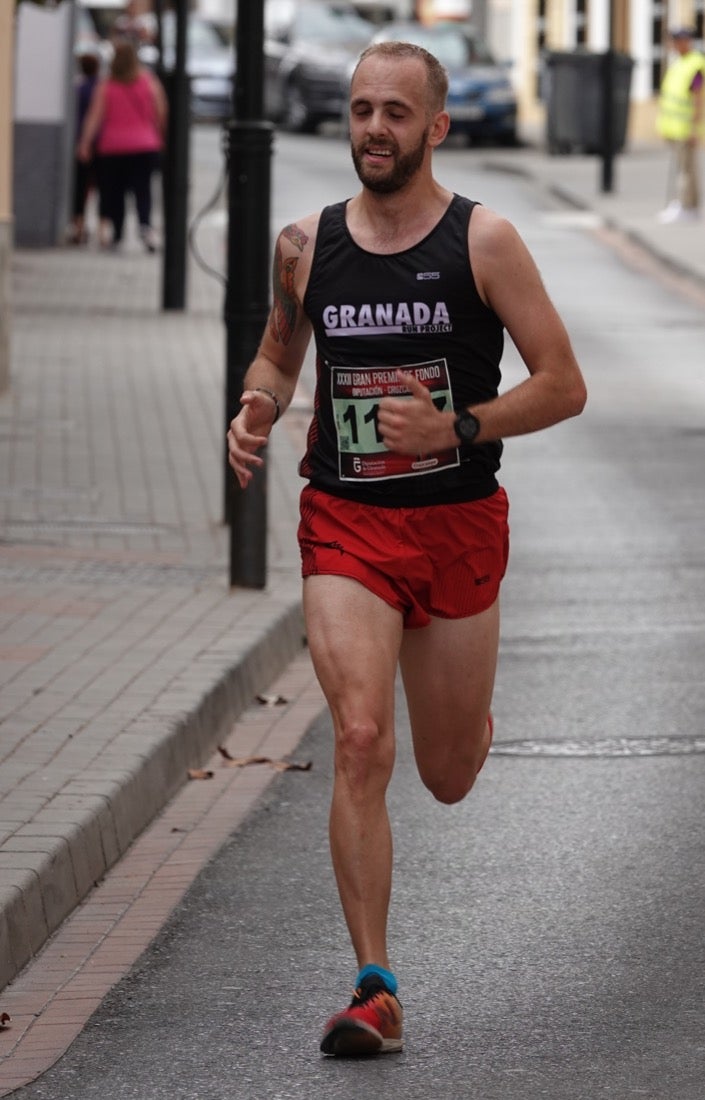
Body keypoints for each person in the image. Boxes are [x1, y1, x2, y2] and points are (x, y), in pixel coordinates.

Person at [227, 40, 587, 1057]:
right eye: (360, 110)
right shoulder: (304, 244)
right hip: (347, 520)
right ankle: (374, 988)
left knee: (446, 772)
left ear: (435, 126)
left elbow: (563, 384)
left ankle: (465, 721)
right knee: (357, 736)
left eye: (395, 112)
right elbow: (278, 354)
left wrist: (455, 427)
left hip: (458, 522)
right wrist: (257, 406)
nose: (373, 130)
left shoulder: (486, 242)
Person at [77, 38, 167, 252]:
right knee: (143, 190)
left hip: (113, 147)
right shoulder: (148, 81)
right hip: (145, 145)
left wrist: (85, 143)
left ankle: (117, 233)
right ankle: (145, 227)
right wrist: (162, 136)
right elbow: (161, 110)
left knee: (115, 191)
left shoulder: (106, 84)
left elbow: (94, 116)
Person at [656, 26, 705, 223]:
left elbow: (698, 99)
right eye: (674, 41)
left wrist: (694, 129)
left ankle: (687, 207)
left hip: (686, 129)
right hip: (674, 127)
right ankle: (683, 205)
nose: (676, 45)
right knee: (682, 169)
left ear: (688, 42)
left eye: (680, 41)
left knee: (687, 171)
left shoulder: (695, 65)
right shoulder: (679, 63)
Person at [67, 51, 100, 245]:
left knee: (80, 187)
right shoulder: (101, 87)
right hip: (103, 143)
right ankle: (103, 228)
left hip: (81, 141)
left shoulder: (79, 89)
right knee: (101, 187)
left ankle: (78, 225)